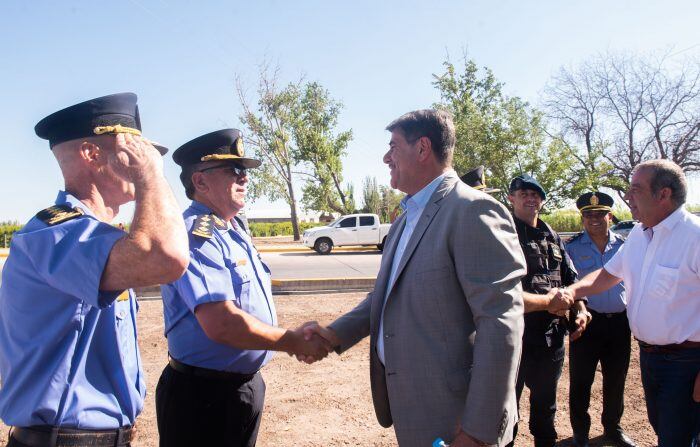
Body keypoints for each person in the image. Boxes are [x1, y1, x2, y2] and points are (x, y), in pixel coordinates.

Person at [302, 109, 527, 446]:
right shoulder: (406, 218)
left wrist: (478, 431)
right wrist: (334, 335)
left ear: (423, 149)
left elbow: (501, 322)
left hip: (457, 420)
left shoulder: (472, 210)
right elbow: (385, 294)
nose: (385, 157)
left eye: (393, 146)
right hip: (414, 410)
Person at [0, 93, 189, 447]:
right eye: (131, 150)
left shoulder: (101, 239)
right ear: (91, 154)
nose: (142, 159)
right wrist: (150, 173)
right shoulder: (55, 232)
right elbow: (167, 256)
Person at [156, 129, 331, 447]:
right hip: (203, 398)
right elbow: (222, 323)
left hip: (240, 388)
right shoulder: (197, 235)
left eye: (245, 171)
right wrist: (292, 341)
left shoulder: (232, 229)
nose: (244, 178)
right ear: (200, 181)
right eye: (233, 170)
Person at [562, 160, 700, 446]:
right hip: (650, 358)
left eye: (635, 190)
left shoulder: (694, 237)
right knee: (665, 430)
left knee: (680, 437)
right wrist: (570, 293)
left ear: (663, 194)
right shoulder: (639, 234)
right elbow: (608, 275)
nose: (628, 197)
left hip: (686, 363)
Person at [505, 174, 588, 447]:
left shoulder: (551, 235)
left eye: (536, 194)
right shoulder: (503, 233)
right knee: (506, 409)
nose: (531, 198)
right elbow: (500, 292)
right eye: (524, 193)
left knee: (545, 407)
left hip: (550, 338)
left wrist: (580, 308)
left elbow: (570, 278)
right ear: (511, 198)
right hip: (514, 337)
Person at [565, 192, 636, 447]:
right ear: (583, 219)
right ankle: (580, 434)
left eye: (599, 214)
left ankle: (612, 429)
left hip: (619, 322)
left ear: (610, 215)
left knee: (616, 379)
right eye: (588, 215)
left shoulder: (625, 245)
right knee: (581, 380)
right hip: (586, 323)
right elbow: (568, 283)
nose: (594, 219)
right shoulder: (571, 247)